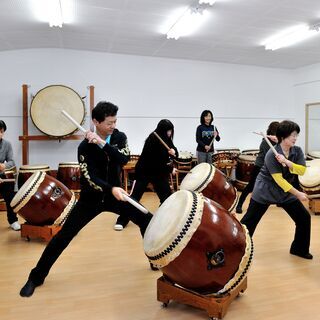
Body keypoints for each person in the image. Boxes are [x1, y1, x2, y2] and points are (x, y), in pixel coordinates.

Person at [19, 101, 153, 297]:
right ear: (96, 122)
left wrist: (101, 144)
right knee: (63, 237)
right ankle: (35, 277)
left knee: (147, 219)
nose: (113, 126)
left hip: (117, 196)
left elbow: (123, 159)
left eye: (115, 121)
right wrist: (110, 188)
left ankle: (155, 259)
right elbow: (90, 178)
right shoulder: (84, 147)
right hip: (91, 199)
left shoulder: (119, 137)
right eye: (109, 123)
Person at [240, 120, 312, 260]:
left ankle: (299, 249)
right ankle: (238, 249)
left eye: (296, 135)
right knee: (249, 223)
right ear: (283, 136)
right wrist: (298, 194)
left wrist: (287, 162)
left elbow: (302, 170)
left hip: (285, 192)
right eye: (293, 135)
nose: (295, 138)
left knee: (303, 218)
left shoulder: (296, 151)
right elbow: (279, 180)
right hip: (265, 190)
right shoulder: (271, 155)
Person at [114, 119, 178, 231]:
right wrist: (170, 168)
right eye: (168, 131)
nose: (169, 133)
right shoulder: (152, 139)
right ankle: (122, 220)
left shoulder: (166, 139)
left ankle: (161, 218)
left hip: (158, 173)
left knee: (166, 197)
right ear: (162, 130)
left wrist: (174, 152)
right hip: (144, 171)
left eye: (171, 131)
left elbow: (173, 152)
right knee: (134, 198)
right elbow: (156, 161)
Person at [236, 121, 280, 213]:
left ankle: (280, 201)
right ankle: (239, 205)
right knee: (251, 186)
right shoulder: (265, 142)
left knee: (278, 184)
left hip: (270, 167)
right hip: (260, 166)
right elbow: (271, 155)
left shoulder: (277, 141)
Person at [0, 120, 20, 231]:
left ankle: (13, 221)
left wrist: (4, 166)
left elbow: (12, 162)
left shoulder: (7, 144)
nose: (0, 133)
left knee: (10, 196)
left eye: (1, 131)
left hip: (2, 176)